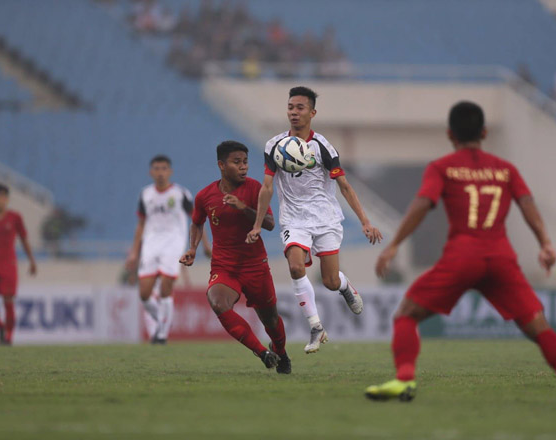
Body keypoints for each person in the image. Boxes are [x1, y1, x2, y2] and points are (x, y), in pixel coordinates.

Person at [366, 101, 556, 406]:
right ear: (485, 132)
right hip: (501, 257)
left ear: (451, 134)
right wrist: (545, 242)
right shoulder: (505, 170)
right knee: (540, 328)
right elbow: (527, 203)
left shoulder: (442, 167)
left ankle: (405, 379)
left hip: (462, 255)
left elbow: (423, 203)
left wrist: (395, 243)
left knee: (406, 315)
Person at [246, 86, 383, 353]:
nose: (294, 112)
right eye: (290, 107)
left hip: (325, 219)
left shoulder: (322, 147)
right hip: (294, 220)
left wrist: (365, 221)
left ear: (312, 112)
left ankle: (345, 286)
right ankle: (316, 327)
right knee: (296, 268)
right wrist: (256, 225)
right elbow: (267, 187)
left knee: (330, 281)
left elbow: (344, 186)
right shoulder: (274, 146)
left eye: (300, 108)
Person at [180, 141, 290, 373]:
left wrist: (243, 208)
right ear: (221, 165)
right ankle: (262, 352)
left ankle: (281, 352)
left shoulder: (254, 189)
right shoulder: (205, 196)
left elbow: (270, 224)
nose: (243, 167)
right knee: (218, 302)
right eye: (237, 162)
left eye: (246, 162)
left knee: (271, 320)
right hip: (225, 266)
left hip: (255, 265)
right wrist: (192, 248)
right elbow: (197, 223)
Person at [126, 155, 204, 344]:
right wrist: (134, 252)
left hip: (173, 243)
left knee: (165, 287)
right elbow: (141, 223)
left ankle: (161, 334)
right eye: (156, 169)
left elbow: (197, 219)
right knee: (144, 294)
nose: (160, 172)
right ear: (151, 172)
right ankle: (161, 318)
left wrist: (201, 245)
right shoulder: (146, 194)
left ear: (170, 171)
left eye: (164, 168)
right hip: (151, 245)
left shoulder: (180, 193)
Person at [0, 183, 37, 345]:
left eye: (2, 197)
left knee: (8, 301)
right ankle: (0, 325)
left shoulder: (15, 218)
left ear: (7, 199)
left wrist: (31, 260)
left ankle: (8, 336)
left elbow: (24, 240)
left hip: (8, 265)